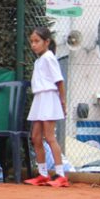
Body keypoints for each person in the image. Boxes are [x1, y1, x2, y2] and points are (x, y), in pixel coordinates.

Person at [23, 26, 69, 187]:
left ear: (47, 42)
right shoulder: (39, 60)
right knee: (35, 137)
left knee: (49, 137)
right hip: (39, 99)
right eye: (32, 42)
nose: (33, 45)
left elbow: (59, 81)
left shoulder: (49, 57)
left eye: (37, 41)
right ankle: (43, 174)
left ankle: (60, 175)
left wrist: (62, 102)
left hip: (49, 98)